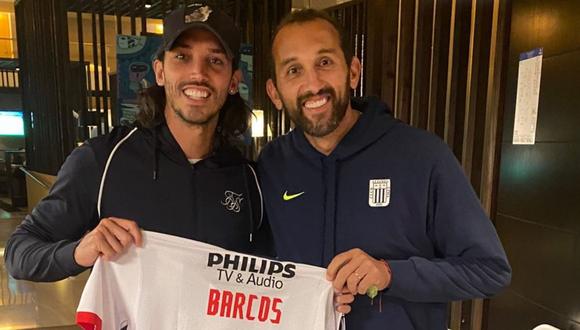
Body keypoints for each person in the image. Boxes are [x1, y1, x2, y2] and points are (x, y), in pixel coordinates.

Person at [258, 9, 511, 330]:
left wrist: (390, 274)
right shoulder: (271, 164)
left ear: (352, 71)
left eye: (324, 62)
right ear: (274, 92)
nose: (313, 83)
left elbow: (490, 271)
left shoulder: (421, 155)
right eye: (293, 69)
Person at [5, 2, 265, 282]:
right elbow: (19, 253)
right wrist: (79, 251)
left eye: (215, 61)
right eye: (182, 57)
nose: (198, 74)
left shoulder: (248, 178)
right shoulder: (103, 159)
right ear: (160, 71)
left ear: (233, 81)